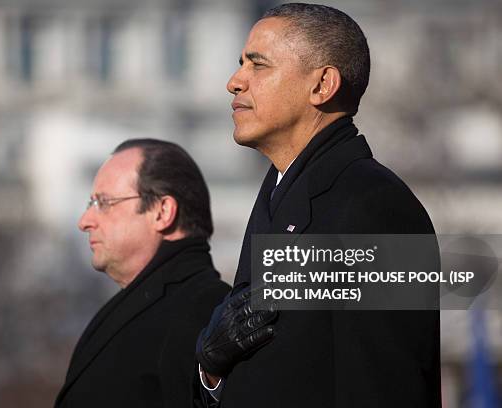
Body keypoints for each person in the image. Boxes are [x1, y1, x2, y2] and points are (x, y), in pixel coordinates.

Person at [195, 3, 441, 407]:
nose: (235, 81)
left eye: (258, 65)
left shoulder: (376, 208)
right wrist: (212, 368)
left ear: (322, 85)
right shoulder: (279, 191)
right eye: (240, 64)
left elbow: (389, 389)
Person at [55, 139, 230, 407]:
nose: (85, 221)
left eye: (104, 203)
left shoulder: (204, 312)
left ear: (162, 212)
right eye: (91, 203)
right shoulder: (147, 303)